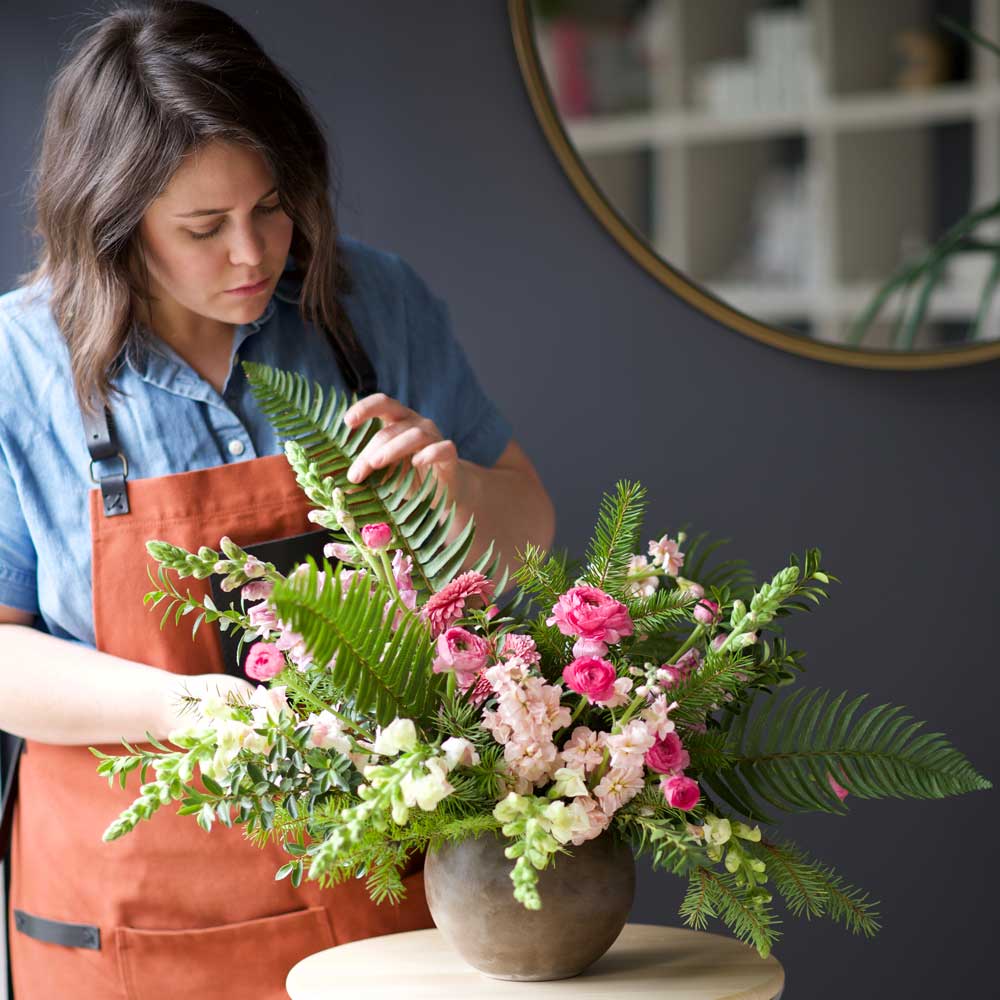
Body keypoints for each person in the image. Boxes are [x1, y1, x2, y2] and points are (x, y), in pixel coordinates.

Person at [0, 2, 556, 997]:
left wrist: (452, 494)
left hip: (381, 905)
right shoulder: (16, 365)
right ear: (115, 228)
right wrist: (184, 708)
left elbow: (529, 528)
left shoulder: (369, 303)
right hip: (134, 924)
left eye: (272, 206)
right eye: (203, 228)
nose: (253, 255)